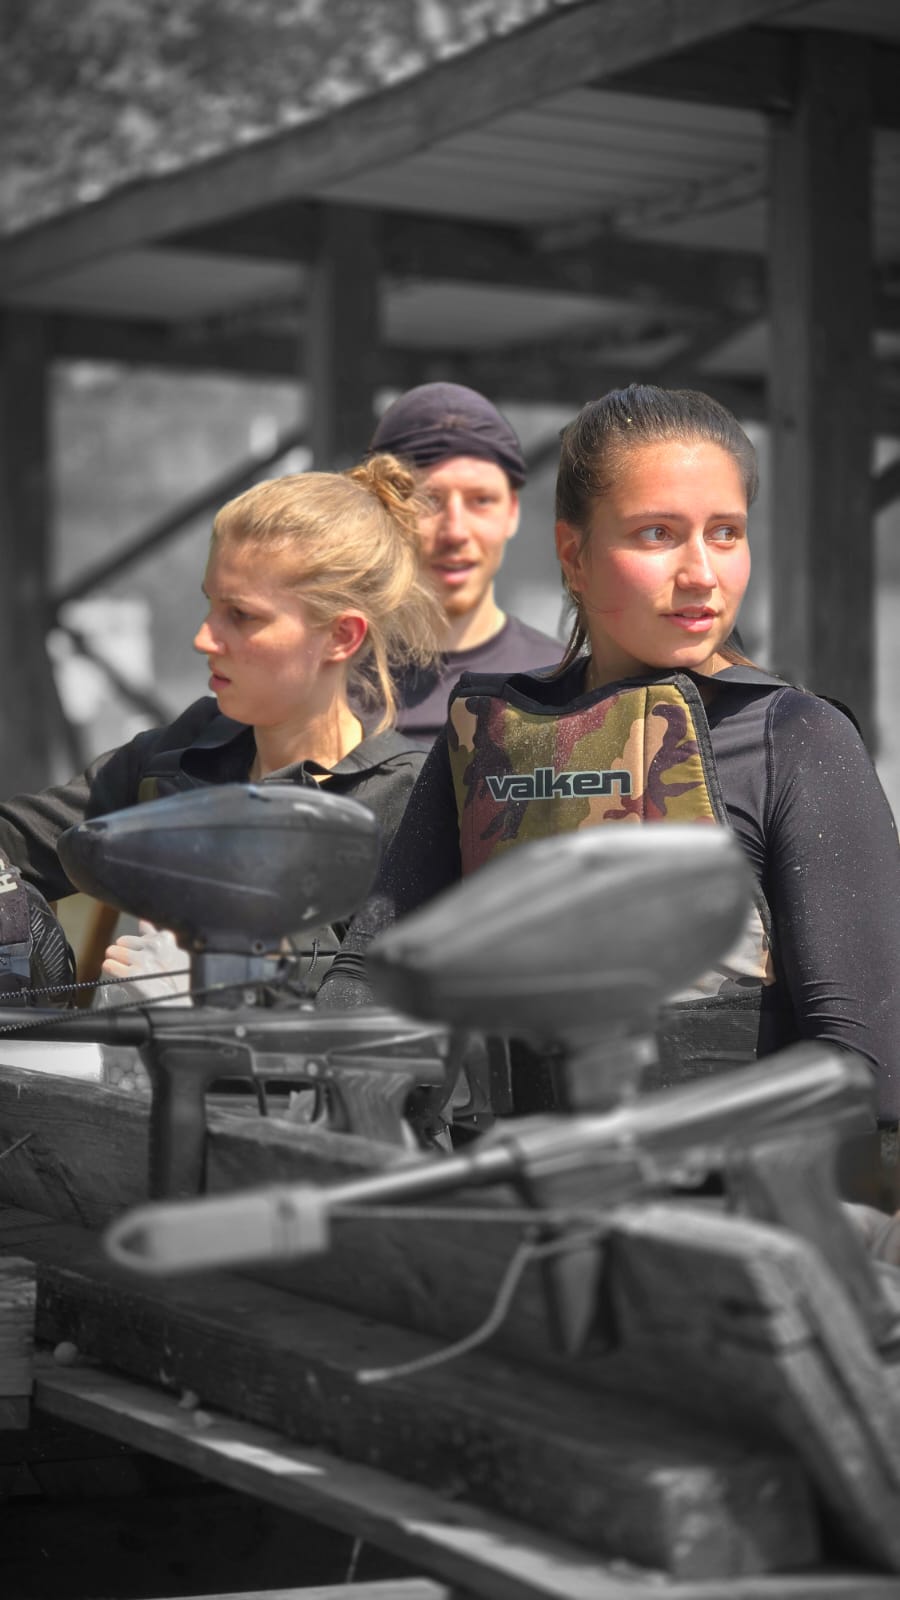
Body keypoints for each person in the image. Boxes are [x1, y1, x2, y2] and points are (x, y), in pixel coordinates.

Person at [319, 384, 900, 1130]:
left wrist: (634, 1155)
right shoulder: (487, 729)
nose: (701, 573)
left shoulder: (795, 737)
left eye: (726, 532)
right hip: (502, 1186)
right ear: (575, 554)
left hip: (719, 1194)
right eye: (658, 533)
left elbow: (866, 1067)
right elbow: (367, 978)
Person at [0, 455, 443, 1002]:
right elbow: (11, 842)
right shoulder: (179, 756)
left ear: (342, 636)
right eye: (210, 605)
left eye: (242, 615)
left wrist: (218, 994)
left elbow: (386, 1028)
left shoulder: (413, 803)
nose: (203, 638)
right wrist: (24, 936)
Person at [369, 382, 561, 743]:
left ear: (512, 512)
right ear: (382, 511)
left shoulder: (565, 689)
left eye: (481, 500)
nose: (455, 531)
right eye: (427, 500)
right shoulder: (325, 692)